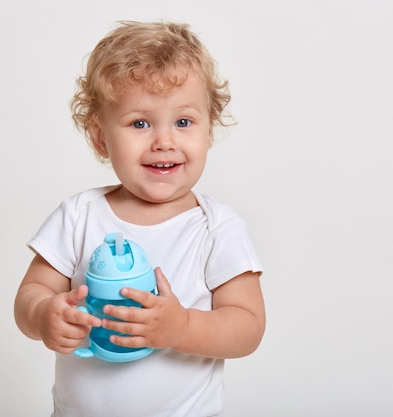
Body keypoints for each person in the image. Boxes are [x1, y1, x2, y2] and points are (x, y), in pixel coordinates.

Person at [14, 20, 266, 417]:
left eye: (183, 122)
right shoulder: (79, 216)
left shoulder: (216, 228)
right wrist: (44, 315)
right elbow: (30, 294)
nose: (164, 141)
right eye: (140, 123)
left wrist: (181, 327)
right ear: (100, 136)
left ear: (209, 128)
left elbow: (248, 327)